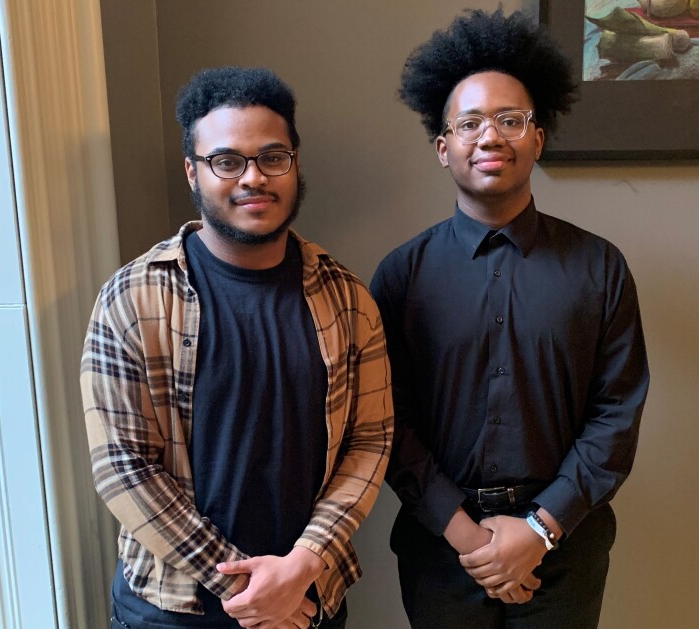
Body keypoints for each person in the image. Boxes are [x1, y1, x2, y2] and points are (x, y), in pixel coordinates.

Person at [82, 66, 392, 629]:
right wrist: (250, 587)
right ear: (192, 172)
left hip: (309, 596)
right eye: (227, 161)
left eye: (273, 157)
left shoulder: (348, 300)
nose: (254, 177)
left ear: (295, 164)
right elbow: (121, 465)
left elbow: (371, 439)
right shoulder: (132, 298)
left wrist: (300, 567)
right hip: (175, 605)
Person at [370, 9, 650, 629]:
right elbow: (385, 419)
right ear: (444, 149)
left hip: (566, 545)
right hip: (441, 547)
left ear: (538, 138)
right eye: (469, 123)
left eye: (510, 120)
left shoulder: (600, 267)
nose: (490, 136)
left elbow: (616, 415)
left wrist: (540, 530)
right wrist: (468, 536)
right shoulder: (400, 276)